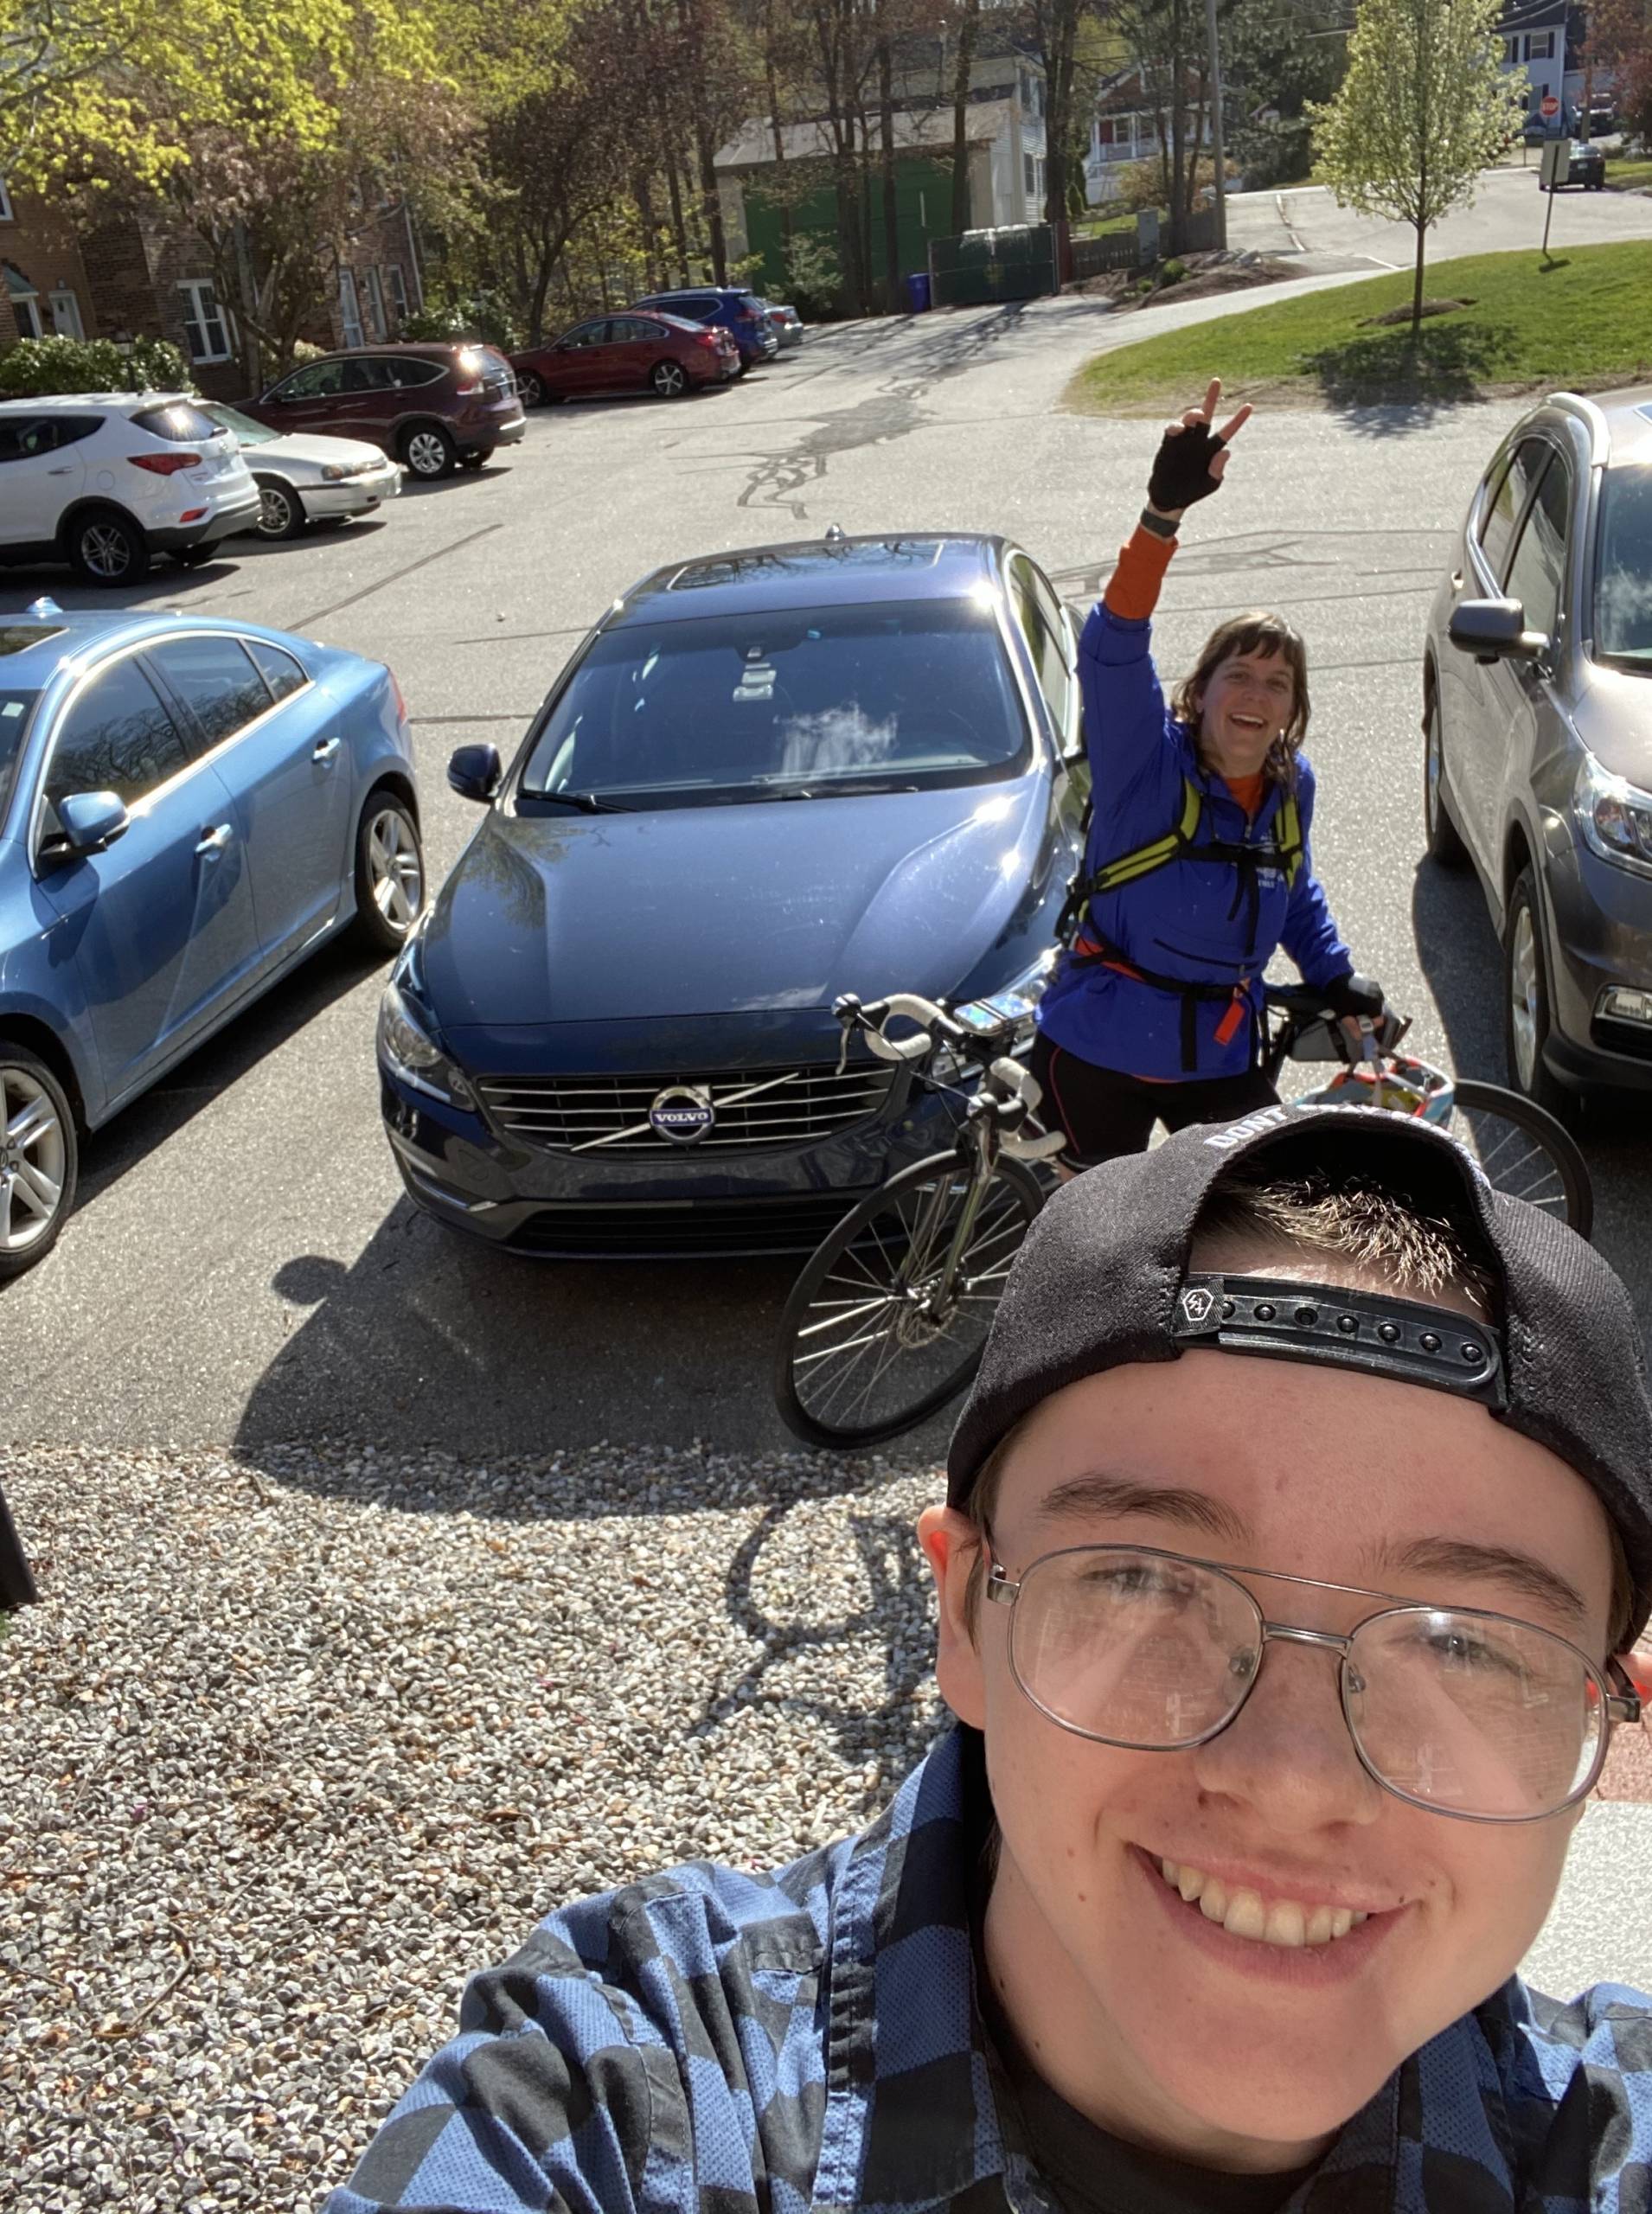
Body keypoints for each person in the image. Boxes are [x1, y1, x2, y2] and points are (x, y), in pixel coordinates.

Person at [323, 1103, 1652, 2213]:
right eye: (1144, 1581)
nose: (1290, 1779)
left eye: (1467, 1647)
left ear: (1605, 1727)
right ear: (961, 1616)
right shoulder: (627, 2098)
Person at [1031, 379, 1385, 1168]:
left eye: (1277, 684)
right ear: (1200, 693)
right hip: (1099, 1050)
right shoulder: (1145, 760)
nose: (1256, 696)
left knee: (1262, 1210)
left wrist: (1336, 977)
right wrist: (1161, 518)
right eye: (1240, 676)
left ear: (1292, 710)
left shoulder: (1291, 787)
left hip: (1217, 1056)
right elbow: (1111, 648)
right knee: (1096, 1229)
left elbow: (1292, 889)